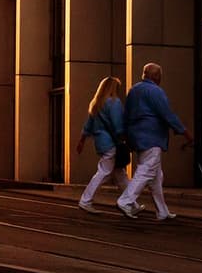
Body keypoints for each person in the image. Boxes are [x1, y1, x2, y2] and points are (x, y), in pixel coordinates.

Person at [117, 61, 193, 221]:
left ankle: (162, 211)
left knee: (156, 177)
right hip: (152, 135)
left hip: (136, 136)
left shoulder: (134, 90)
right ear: (157, 76)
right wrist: (184, 132)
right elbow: (167, 114)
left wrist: (126, 135)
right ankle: (126, 200)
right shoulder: (156, 91)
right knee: (147, 170)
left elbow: (127, 114)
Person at [75, 75, 128, 212]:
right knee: (104, 172)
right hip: (111, 143)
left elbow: (88, 126)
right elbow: (118, 126)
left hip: (100, 142)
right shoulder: (114, 102)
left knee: (120, 174)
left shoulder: (96, 103)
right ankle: (85, 201)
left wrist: (81, 141)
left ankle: (130, 202)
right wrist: (125, 138)